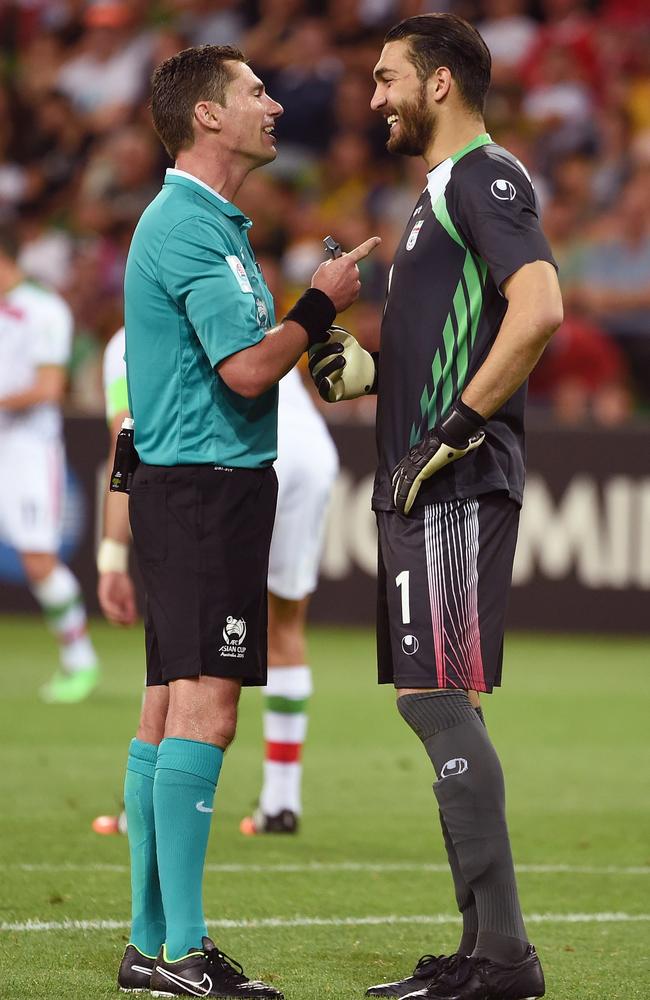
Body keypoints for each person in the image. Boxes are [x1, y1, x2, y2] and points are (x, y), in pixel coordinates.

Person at [116, 43, 378, 998]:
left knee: (165, 707)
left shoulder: (211, 223)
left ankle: (153, 944)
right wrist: (322, 304)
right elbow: (245, 372)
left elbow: (240, 361)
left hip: (187, 484)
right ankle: (184, 951)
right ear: (207, 118)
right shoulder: (190, 225)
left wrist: (315, 334)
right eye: (256, 92)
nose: (275, 104)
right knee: (207, 710)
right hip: (203, 488)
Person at [309, 14, 562, 1000]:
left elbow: (537, 306)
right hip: (424, 477)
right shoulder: (430, 199)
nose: (373, 97)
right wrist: (372, 371)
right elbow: (461, 336)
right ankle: (482, 949)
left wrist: (453, 428)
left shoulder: (478, 181)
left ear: (440, 82)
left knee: (437, 700)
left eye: (385, 78)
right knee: (433, 697)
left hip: (449, 478)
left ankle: (499, 956)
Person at [97, 327, 339, 836]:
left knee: (178, 634)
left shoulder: (129, 339)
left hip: (241, 453)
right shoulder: (239, 291)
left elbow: (128, 438)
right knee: (286, 626)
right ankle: (280, 802)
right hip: (311, 451)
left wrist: (112, 554)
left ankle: (144, 804)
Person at [0, 229, 100, 704]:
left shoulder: (44, 310)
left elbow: (47, 387)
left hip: (28, 451)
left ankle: (80, 661)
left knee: (37, 557)